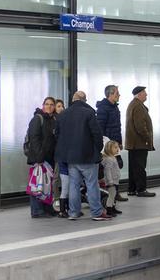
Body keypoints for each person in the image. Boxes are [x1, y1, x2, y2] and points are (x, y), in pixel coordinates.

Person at [55, 91, 112, 221]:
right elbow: (97, 134)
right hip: (87, 156)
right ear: (84, 100)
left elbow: (58, 135)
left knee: (73, 184)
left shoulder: (63, 114)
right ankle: (97, 213)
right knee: (92, 184)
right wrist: (97, 149)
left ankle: (73, 212)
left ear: (73, 100)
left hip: (70, 158)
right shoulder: (89, 113)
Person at [26, 97, 58, 218]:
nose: (49, 106)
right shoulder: (37, 119)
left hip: (50, 158)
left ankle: (47, 207)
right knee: (37, 183)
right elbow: (34, 139)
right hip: (39, 158)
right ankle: (36, 210)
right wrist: (39, 158)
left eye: (51, 104)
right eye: (47, 104)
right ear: (43, 105)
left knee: (47, 184)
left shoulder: (54, 119)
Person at [96, 85, 127, 203]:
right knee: (110, 170)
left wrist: (119, 143)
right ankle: (111, 194)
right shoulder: (103, 108)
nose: (119, 95)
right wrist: (107, 146)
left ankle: (115, 193)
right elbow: (100, 129)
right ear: (110, 94)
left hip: (115, 144)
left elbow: (117, 127)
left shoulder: (114, 107)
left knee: (117, 169)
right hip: (108, 145)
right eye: (117, 93)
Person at [125, 86, 155, 197]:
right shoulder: (138, 106)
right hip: (139, 143)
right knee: (140, 167)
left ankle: (131, 189)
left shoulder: (133, 104)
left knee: (133, 167)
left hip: (133, 143)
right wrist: (147, 138)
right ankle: (141, 189)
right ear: (139, 94)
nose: (146, 95)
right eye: (144, 93)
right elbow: (140, 126)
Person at [101, 139, 123, 216]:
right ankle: (109, 210)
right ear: (109, 149)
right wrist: (110, 181)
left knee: (114, 195)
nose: (118, 149)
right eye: (115, 148)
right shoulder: (109, 159)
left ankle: (113, 208)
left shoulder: (113, 157)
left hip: (115, 180)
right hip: (111, 181)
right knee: (111, 195)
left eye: (117, 147)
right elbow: (107, 171)